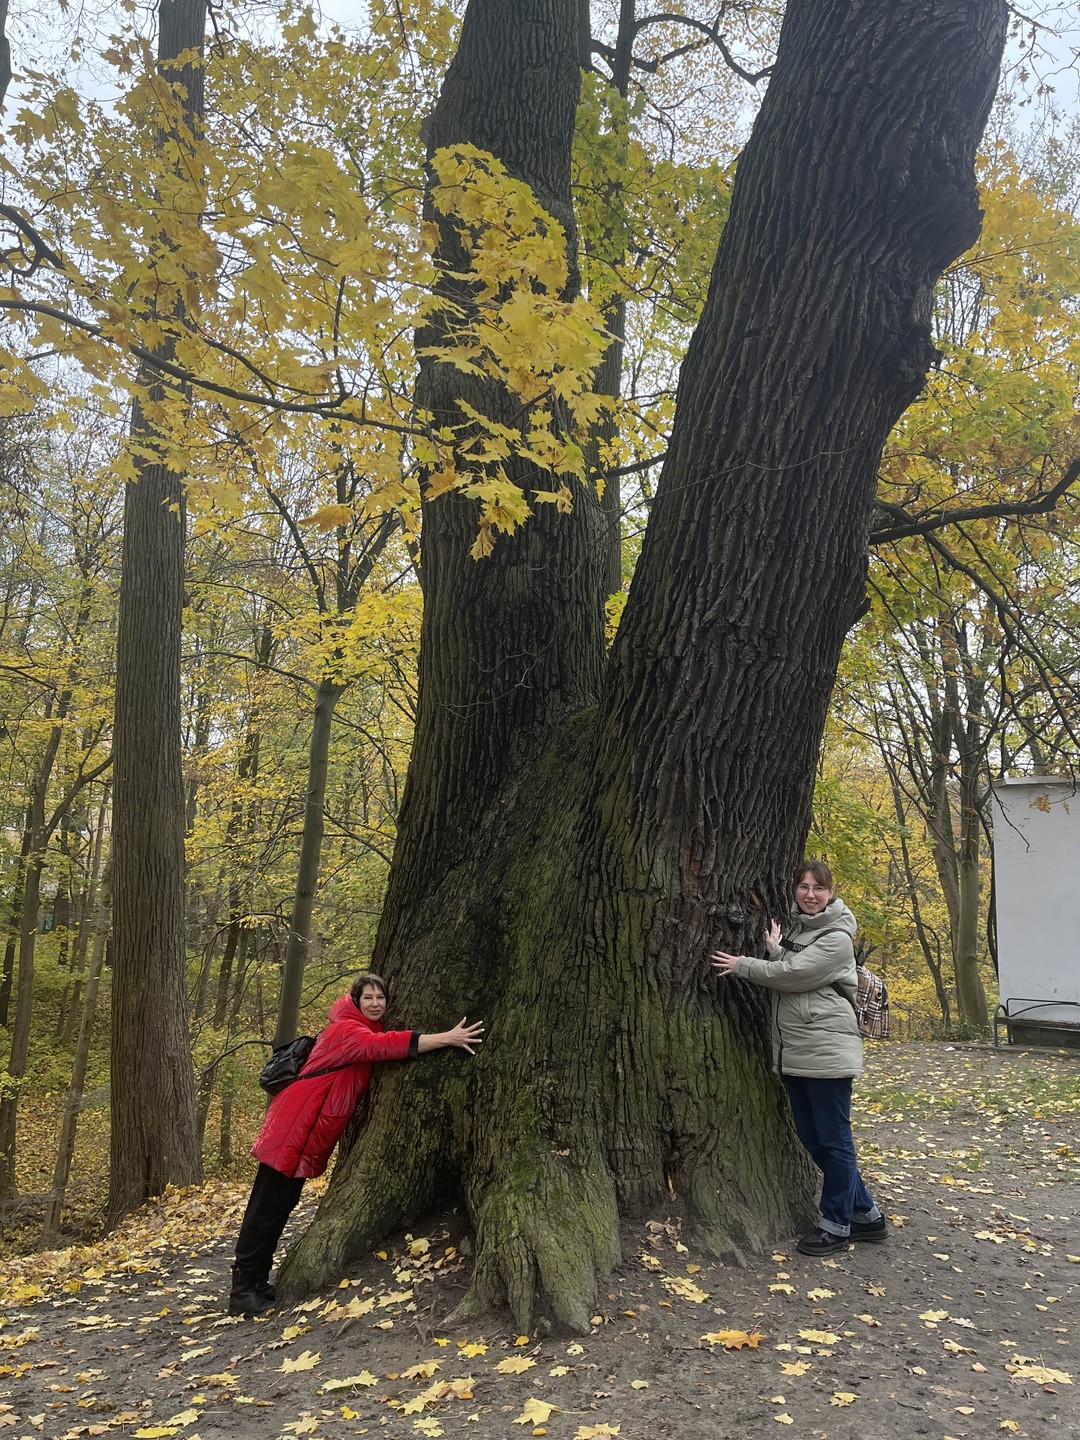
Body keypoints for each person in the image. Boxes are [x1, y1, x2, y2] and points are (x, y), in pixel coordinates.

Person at [229, 973, 484, 1315]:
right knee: (265, 1211)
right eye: (368, 998)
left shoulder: (359, 1028)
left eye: (381, 998)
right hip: (292, 1128)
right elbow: (385, 1046)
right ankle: (243, 1289)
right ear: (355, 1001)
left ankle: (257, 1283)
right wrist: (448, 1038)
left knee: (279, 1208)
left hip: (302, 1130)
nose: (376, 1004)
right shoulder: (348, 1030)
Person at [710, 860, 886, 1257]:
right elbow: (790, 967)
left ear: (831, 893)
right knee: (811, 1137)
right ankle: (866, 1215)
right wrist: (776, 950)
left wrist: (742, 965)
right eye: (804, 886)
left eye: (818, 888)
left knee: (834, 1140)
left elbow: (792, 976)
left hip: (826, 1050)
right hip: (799, 1050)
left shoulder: (837, 938)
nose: (810, 894)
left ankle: (836, 1225)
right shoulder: (801, 929)